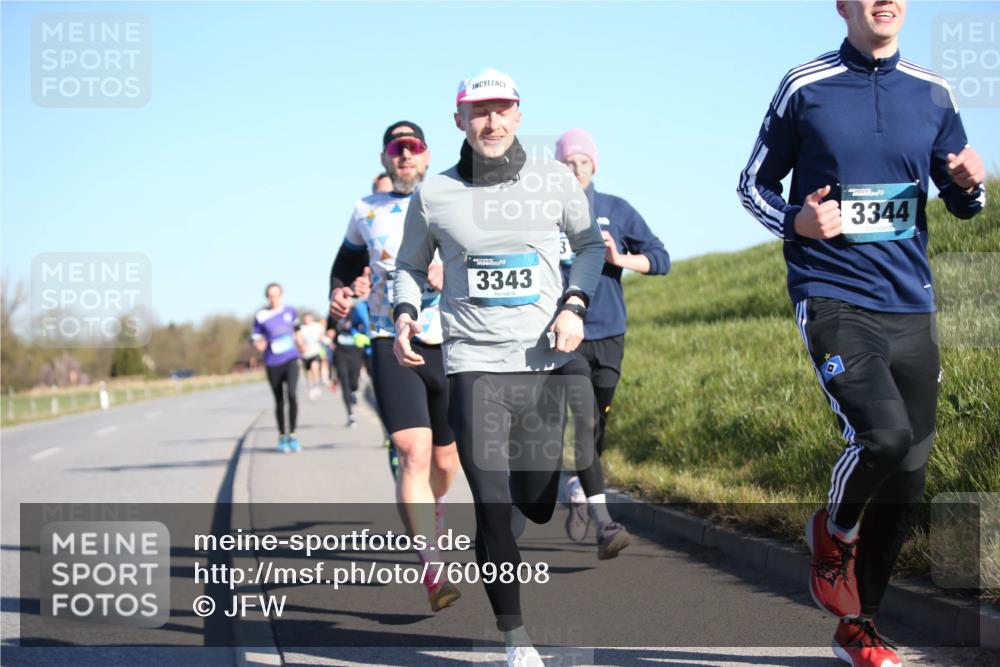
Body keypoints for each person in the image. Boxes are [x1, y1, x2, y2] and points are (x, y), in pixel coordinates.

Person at [736, 2, 985, 666]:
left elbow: (962, 199)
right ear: (843, 5)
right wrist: (797, 221)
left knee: (909, 475)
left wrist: (969, 186)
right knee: (884, 437)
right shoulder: (805, 86)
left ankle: (860, 628)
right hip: (833, 294)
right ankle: (833, 529)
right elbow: (751, 185)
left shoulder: (932, 92)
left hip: (910, 303)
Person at [392, 68, 604, 667]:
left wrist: (574, 304)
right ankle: (517, 640)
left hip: (541, 362)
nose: (491, 121)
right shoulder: (434, 193)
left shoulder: (555, 180)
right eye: (479, 111)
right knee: (490, 503)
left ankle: (497, 537)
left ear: (518, 115)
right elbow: (409, 265)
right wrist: (405, 313)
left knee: (533, 503)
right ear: (459, 120)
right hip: (473, 366)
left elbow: (589, 246)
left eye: (502, 109)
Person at [330, 121, 463, 613]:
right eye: (397, 149)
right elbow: (344, 267)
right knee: (412, 452)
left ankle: (436, 509)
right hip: (391, 339)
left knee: (445, 463)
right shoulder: (366, 210)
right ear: (386, 158)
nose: (405, 155)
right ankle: (433, 570)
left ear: (426, 156)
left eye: (414, 147)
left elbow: (490, 257)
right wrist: (340, 293)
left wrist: (453, 267)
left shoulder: (453, 199)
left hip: (450, 340)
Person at [554, 128, 671, 556]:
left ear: (594, 166)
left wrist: (619, 258)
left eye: (582, 162)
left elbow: (661, 259)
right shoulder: (544, 213)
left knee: (597, 423)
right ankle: (604, 523)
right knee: (584, 420)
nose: (575, 170)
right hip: (566, 336)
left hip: (610, 333)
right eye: (567, 163)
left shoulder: (616, 210)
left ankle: (578, 486)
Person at [251, 283, 303, 453]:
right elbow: (255, 336)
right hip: (273, 362)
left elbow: (297, 330)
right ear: (267, 297)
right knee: (279, 400)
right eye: (271, 296)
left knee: (292, 395)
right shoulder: (261, 315)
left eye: (276, 295)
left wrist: (301, 343)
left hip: (291, 358)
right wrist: (259, 343)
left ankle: (293, 434)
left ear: (281, 295)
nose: (274, 299)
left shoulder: (290, 311)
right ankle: (282, 436)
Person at [330, 303, 368, 427]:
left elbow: (366, 326)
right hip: (340, 353)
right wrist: (330, 334)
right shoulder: (333, 313)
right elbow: (329, 330)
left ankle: (354, 391)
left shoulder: (358, 313)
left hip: (356, 351)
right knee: (344, 383)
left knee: (354, 382)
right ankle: (350, 414)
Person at [298, 312, 326, 400]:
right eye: (306, 319)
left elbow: (322, 335)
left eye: (309, 318)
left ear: (312, 318)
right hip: (306, 354)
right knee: (309, 372)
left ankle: (317, 385)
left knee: (315, 366)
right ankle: (311, 387)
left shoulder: (317, 326)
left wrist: (321, 338)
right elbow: (299, 338)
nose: (307, 320)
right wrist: (301, 345)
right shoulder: (302, 328)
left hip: (315, 351)